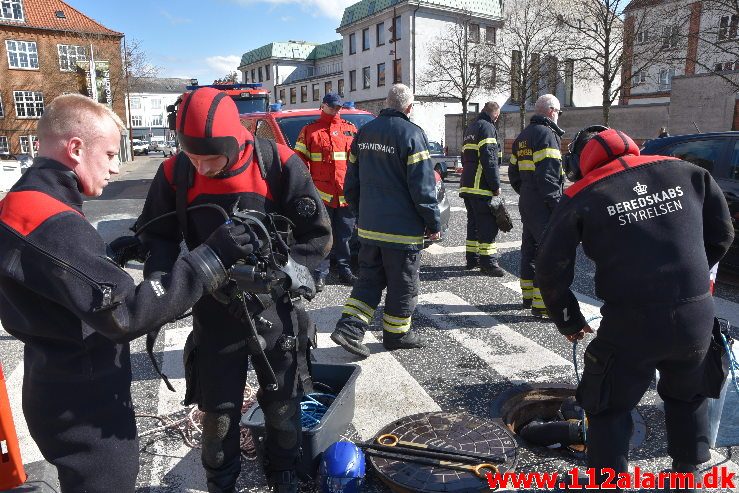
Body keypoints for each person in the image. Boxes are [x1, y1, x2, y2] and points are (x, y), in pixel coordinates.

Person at [0, 94, 257, 492]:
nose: (116, 167)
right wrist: (210, 258)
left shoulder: (21, 201)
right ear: (75, 149)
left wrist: (101, 262)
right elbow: (125, 314)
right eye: (108, 154)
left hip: (52, 382)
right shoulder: (55, 224)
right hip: (84, 407)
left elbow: (59, 283)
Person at [135, 87, 331, 493]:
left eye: (211, 159)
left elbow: (317, 236)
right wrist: (162, 282)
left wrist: (281, 273)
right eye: (194, 157)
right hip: (213, 305)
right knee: (218, 410)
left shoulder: (276, 163)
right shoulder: (176, 172)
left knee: (282, 402)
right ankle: (220, 483)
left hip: (272, 305)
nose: (202, 168)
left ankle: (284, 475)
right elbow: (158, 236)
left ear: (236, 142)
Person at [536, 126, 734, 490]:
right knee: (689, 394)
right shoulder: (687, 171)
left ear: (584, 165)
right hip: (695, 315)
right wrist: (688, 278)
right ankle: (686, 476)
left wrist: (568, 319)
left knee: (609, 405)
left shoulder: (583, 193)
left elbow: (549, 269)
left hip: (633, 322)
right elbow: (722, 234)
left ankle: (607, 483)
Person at [329, 84, 441, 358]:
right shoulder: (413, 134)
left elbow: (350, 182)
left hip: (369, 226)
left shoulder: (364, 132)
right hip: (402, 232)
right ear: (409, 107)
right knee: (403, 284)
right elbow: (423, 187)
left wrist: (360, 213)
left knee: (369, 280)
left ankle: (349, 329)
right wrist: (433, 223)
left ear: (386, 103)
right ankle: (397, 335)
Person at [508, 94, 565, 317]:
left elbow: (514, 173)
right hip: (543, 204)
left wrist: (526, 192)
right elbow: (549, 178)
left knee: (529, 251)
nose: (558, 116)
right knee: (548, 254)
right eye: (558, 112)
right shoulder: (546, 135)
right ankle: (544, 306)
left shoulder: (523, 136)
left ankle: (527, 297)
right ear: (551, 111)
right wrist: (558, 206)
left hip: (528, 201)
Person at [295, 93, 358, 292]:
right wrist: (306, 190)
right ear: (323, 106)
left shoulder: (350, 129)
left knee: (345, 235)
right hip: (322, 195)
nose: (336, 110)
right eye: (332, 107)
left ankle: (344, 270)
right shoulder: (310, 131)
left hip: (345, 194)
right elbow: (300, 162)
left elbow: (357, 162)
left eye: (338, 107)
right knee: (323, 235)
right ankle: (320, 273)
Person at [459, 101, 505, 276]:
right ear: (494, 113)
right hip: (481, 185)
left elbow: (465, 157)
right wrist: (495, 186)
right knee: (488, 225)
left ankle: (472, 259)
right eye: (497, 115)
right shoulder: (487, 128)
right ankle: (489, 263)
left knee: (474, 223)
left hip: (467, 184)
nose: (497, 118)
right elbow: (490, 159)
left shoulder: (471, 128)